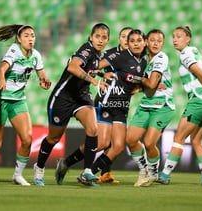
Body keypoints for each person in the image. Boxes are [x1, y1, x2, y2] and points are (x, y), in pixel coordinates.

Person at [54, 29, 147, 185]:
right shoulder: (116, 55)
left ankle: (85, 171)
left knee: (117, 147)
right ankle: (71, 165)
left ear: (143, 42)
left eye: (134, 39)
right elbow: (94, 67)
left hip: (122, 106)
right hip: (106, 103)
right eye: (126, 38)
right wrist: (101, 76)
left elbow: (135, 82)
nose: (129, 41)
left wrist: (139, 88)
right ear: (121, 39)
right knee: (102, 143)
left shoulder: (143, 61)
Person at [0, 24, 51, 186]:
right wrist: (3, 80)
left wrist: (44, 80)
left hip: (18, 100)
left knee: (27, 139)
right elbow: (1, 69)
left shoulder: (35, 55)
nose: (30, 38)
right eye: (26, 36)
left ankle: (17, 175)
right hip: (0, 98)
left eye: (32, 35)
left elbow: (41, 74)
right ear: (19, 39)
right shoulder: (14, 50)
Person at [33, 23, 114, 187]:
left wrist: (103, 73)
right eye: (97, 36)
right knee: (54, 138)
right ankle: (39, 167)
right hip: (63, 97)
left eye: (103, 37)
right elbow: (72, 67)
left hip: (82, 97)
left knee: (93, 130)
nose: (100, 40)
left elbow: (92, 67)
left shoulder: (99, 55)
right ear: (91, 37)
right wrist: (94, 80)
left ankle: (87, 172)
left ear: (107, 40)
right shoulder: (86, 49)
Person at [157, 26, 202, 186]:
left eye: (179, 36)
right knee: (196, 140)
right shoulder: (195, 51)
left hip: (199, 101)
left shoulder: (186, 53)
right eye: (173, 36)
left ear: (188, 39)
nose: (175, 39)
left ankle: (165, 174)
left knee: (179, 138)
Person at [126, 29, 175, 187]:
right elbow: (149, 84)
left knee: (148, 143)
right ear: (146, 42)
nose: (156, 43)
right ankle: (143, 171)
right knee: (131, 140)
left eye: (159, 41)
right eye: (152, 40)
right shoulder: (144, 59)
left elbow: (152, 84)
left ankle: (153, 173)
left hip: (162, 106)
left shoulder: (161, 58)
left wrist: (138, 79)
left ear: (163, 43)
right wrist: (142, 86)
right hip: (146, 104)